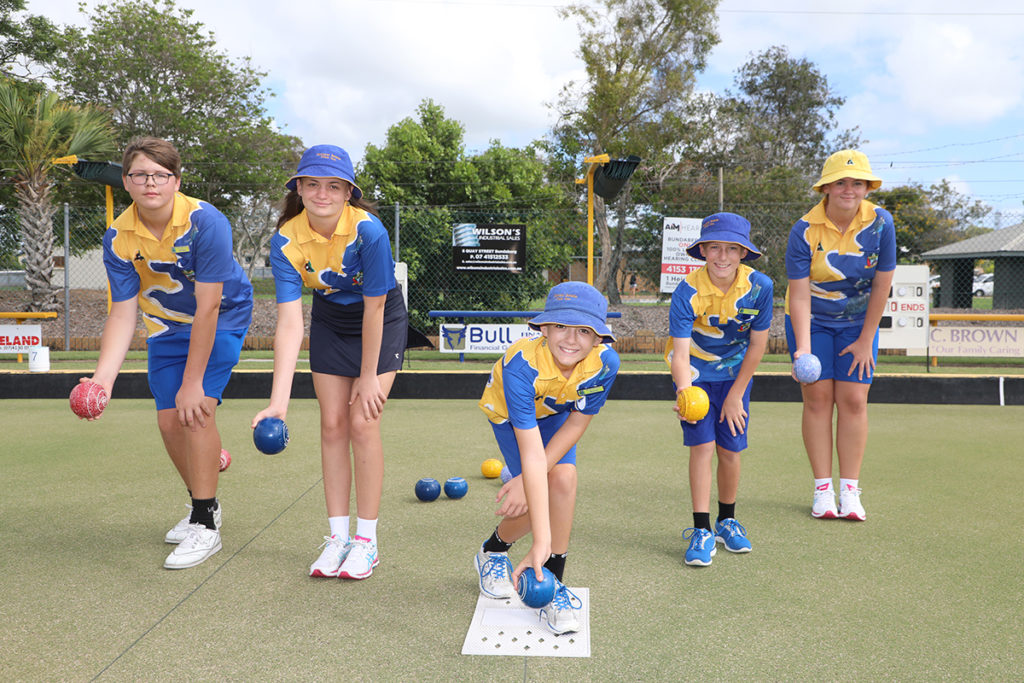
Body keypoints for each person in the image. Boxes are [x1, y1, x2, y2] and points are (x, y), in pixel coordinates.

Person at [81, 136, 253, 570]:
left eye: (160, 175)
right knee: (168, 421)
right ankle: (205, 500)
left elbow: (210, 304)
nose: (150, 182)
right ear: (126, 181)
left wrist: (193, 384)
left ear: (176, 180)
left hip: (222, 317)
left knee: (193, 410)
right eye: (140, 174)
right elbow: (122, 315)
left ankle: (205, 523)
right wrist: (103, 379)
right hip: (164, 325)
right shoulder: (118, 237)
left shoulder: (205, 221)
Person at [252, 144, 407, 580]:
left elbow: (375, 309)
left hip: (379, 318)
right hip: (330, 322)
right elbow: (288, 324)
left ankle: (366, 542)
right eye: (313, 183)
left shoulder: (369, 231)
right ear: (299, 188)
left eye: (334, 186)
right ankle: (338, 538)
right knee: (332, 424)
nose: (323, 193)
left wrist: (368, 376)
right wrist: (278, 403)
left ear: (348, 193)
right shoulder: (285, 241)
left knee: (363, 421)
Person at [474, 281, 619, 635]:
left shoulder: (605, 364)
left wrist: (526, 480)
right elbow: (532, 451)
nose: (570, 340)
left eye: (583, 331)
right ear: (543, 327)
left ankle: (553, 578)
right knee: (535, 493)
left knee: (562, 481)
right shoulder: (520, 363)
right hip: (511, 420)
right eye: (560, 327)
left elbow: (577, 424)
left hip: (557, 419)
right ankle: (493, 553)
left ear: (598, 338)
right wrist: (540, 538)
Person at [785, 150, 896, 521]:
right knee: (817, 399)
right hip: (811, 321)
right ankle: (822, 491)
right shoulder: (803, 229)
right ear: (827, 187)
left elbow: (882, 285)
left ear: (867, 187)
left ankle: (849, 490)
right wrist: (802, 349)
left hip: (857, 323)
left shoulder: (882, 223)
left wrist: (867, 339)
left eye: (857, 182)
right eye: (841, 182)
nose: (849, 189)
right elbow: (799, 293)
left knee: (853, 401)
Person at [668, 213, 773, 566]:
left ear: (744, 252)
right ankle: (702, 529)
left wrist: (734, 394)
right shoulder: (687, 291)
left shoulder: (761, 287)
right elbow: (679, 354)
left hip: (735, 378)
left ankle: (727, 520)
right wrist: (685, 393)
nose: (722, 256)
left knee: (730, 450)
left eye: (731, 248)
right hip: (695, 375)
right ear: (702, 250)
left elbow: (758, 346)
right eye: (714, 247)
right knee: (702, 447)